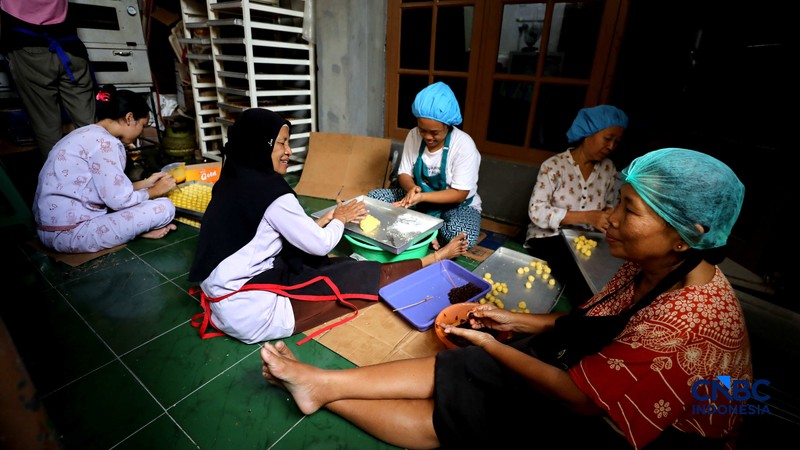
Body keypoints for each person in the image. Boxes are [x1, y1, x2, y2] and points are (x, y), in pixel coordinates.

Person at [260, 148, 751, 450]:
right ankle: (321, 382)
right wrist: (512, 323)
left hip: (634, 434)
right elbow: (589, 322)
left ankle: (320, 391)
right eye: (618, 203)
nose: (609, 219)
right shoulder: (649, 264)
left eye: (630, 211)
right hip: (598, 378)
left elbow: (585, 402)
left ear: (688, 235)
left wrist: (496, 347)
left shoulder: (690, 322)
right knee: (479, 366)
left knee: (485, 407)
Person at [188, 108, 468, 345]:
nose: (289, 151)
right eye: (282, 143)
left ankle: (420, 259)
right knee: (356, 276)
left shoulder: (232, 179)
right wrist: (341, 218)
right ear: (261, 146)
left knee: (328, 265)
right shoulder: (273, 193)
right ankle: (437, 258)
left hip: (223, 299)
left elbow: (262, 229)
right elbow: (319, 243)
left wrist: (325, 219)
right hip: (252, 312)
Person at [33, 85, 177, 253]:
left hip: (48, 230)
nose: (141, 132)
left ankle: (134, 230)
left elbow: (105, 190)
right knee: (164, 207)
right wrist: (154, 192)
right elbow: (119, 201)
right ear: (130, 118)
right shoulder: (107, 144)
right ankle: (135, 230)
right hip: (71, 234)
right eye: (143, 126)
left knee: (138, 204)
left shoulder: (83, 134)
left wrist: (147, 183)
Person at [524, 104, 629, 303]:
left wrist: (608, 216)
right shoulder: (555, 166)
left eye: (617, 141)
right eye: (608, 138)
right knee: (576, 277)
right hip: (549, 236)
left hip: (588, 239)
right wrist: (588, 217)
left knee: (611, 271)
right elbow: (536, 211)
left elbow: (610, 205)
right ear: (588, 132)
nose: (611, 146)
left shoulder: (608, 168)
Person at [367, 82, 482, 249]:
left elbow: (460, 194)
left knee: (462, 236)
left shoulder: (463, 145)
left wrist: (422, 197)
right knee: (374, 199)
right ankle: (427, 233)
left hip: (456, 206)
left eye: (434, 132)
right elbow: (404, 174)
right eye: (423, 130)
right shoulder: (413, 136)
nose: (427, 137)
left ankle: (422, 230)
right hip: (418, 201)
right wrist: (412, 189)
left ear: (448, 125)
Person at [0, 0, 96, 160]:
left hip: (30, 49)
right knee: (89, 125)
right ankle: (103, 177)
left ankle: (61, 181)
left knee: (47, 126)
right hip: (71, 48)